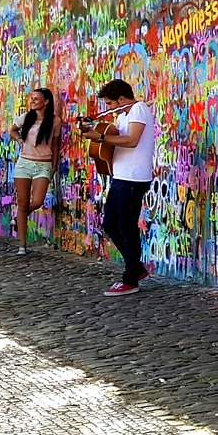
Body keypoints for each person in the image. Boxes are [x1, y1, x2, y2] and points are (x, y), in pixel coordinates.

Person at [85, 79, 156, 296]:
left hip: (133, 178)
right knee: (111, 224)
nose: (108, 108)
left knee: (126, 227)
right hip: (121, 176)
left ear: (121, 99)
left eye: (110, 103)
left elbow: (132, 140)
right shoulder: (123, 115)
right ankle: (136, 267)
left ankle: (130, 279)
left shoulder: (139, 109)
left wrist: (102, 136)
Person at [10, 87, 58, 254]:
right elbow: (12, 130)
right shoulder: (26, 118)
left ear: (46, 101)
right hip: (24, 164)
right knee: (23, 203)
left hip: (43, 164)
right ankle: (22, 245)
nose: (32, 101)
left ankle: (18, 218)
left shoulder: (54, 121)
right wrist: (19, 141)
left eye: (36, 99)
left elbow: (55, 145)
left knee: (37, 201)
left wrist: (54, 165)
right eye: (32, 99)